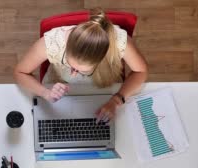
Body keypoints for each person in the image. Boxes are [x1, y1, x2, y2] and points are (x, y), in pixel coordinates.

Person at [13, 8, 148, 123]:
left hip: (106, 87)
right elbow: (20, 72)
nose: (73, 74)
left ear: (102, 59)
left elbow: (141, 72)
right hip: (59, 88)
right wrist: (45, 93)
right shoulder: (52, 42)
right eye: (72, 66)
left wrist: (117, 100)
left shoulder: (119, 42)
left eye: (80, 70)